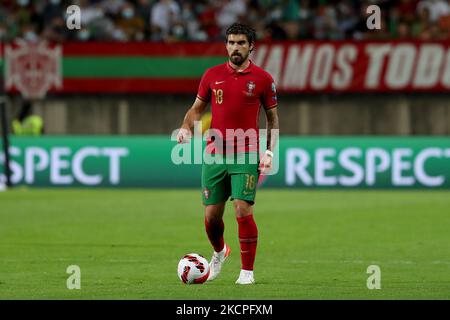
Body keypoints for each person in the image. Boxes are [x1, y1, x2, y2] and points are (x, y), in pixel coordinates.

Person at [177, 23, 279, 285]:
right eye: (231, 42)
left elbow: (272, 118)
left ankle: (247, 272)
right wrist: (186, 127)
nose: (235, 47)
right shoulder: (212, 75)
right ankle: (220, 251)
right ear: (226, 45)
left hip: (246, 151)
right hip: (214, 153)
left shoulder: (263, 79)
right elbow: (196, 109)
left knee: (242, 209)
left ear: (251, 46)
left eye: (241, 43)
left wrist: (269, 150)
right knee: (211, 217)